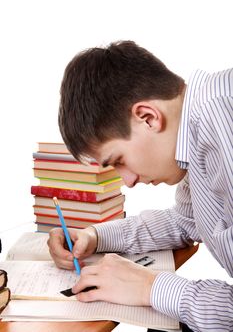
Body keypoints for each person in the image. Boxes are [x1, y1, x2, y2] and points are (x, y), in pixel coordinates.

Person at [47, 41, 233, 332]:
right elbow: (184, 222)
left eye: (119, 161)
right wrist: (95, 236)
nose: (128, 181)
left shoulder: (223, 119)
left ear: (148, 117)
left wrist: (150, 286)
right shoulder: (196, 136)